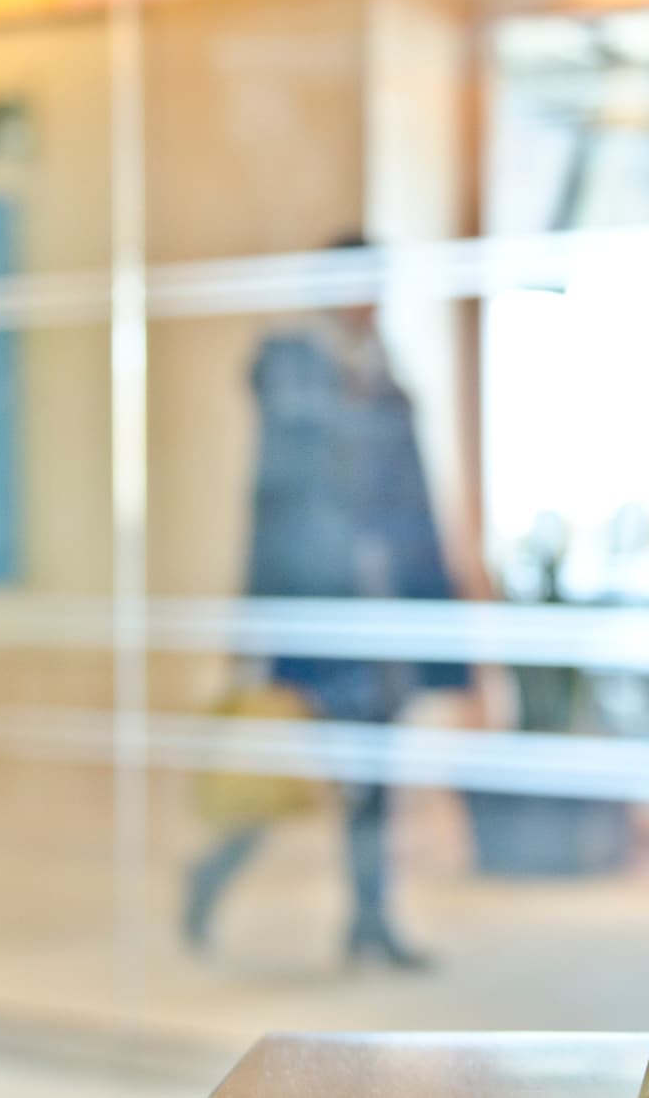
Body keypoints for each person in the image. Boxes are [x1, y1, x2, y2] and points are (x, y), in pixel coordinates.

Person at [184, 232, 465, 969]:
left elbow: (411, 504)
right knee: (281, 770)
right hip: (315, 614)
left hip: (382, 615)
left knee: (371, 776)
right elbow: (276, 502)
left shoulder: (384, 377)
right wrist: (259, 624)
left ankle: (369, 921)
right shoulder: (296, 369)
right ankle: (209, 876)